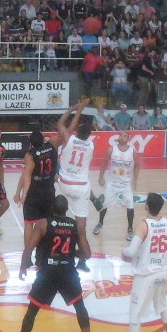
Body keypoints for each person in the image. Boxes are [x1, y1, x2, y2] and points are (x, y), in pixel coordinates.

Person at [11, 195, 95, 332]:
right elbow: (87, 254)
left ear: (52, 208)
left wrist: (22, 267)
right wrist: (72, 253)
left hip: (48, 272)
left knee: (32, 312)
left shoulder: (43, 223)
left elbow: (29, 248)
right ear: (66, 209)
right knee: (80, 308)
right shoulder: (75, 225)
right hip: (67, 272)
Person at [117, 192, 167, 332]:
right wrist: (161, 257)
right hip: (164, 272)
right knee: (162, 304)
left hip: (146, 276)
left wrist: (123, 252)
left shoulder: (143, 225)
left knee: (135, 314)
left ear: (146, 206)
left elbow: (131, 251)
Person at [14, 102, 84, 243]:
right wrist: (76, 110)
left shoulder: (30, 155)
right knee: (47, 223)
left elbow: (26, 176)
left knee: (29, 224)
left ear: (31, 142)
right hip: (48, 191)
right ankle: (45, 250)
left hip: (34, 192)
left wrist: (22, 195)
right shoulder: (52, 145)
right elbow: (69, 130)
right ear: (42, 138)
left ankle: (28, 255)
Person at [56, 99, 96, 259]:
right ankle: (83, 256)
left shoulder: (69, 139)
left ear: (77, 131)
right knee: (81, 229)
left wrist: (76, 108)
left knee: (53, 173)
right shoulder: (91, 146)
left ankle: (56, 241)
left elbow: (60, 123)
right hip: (81, 188)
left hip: (65, 184)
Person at [94, 131, 141, 239]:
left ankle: (130, 228)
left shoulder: (133, 151)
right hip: (112, 183)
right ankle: (100, 223)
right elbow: (104, 163)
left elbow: (137, 165)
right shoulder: (111, 149)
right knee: (104, 204)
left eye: (124, 136)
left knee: (130, 206)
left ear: (128, 138)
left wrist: (135, 179)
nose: (122, 137)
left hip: (126, 184)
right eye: (120, 135)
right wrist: (101, 177)